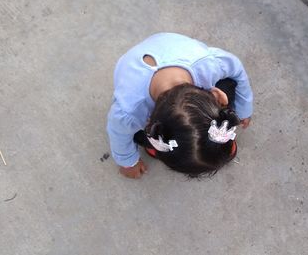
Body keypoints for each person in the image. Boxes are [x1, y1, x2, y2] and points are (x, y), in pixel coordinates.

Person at [107, 33, 253, 178]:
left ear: (217, 95)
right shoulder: (128, 112)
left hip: (176, 51)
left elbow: (237, 69)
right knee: (134, 134)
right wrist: (128, 162)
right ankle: (154, 144)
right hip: (153, 57)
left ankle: (166, 146)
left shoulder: (210, 63)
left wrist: (244, 108)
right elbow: (118, 135)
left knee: (230, 84)